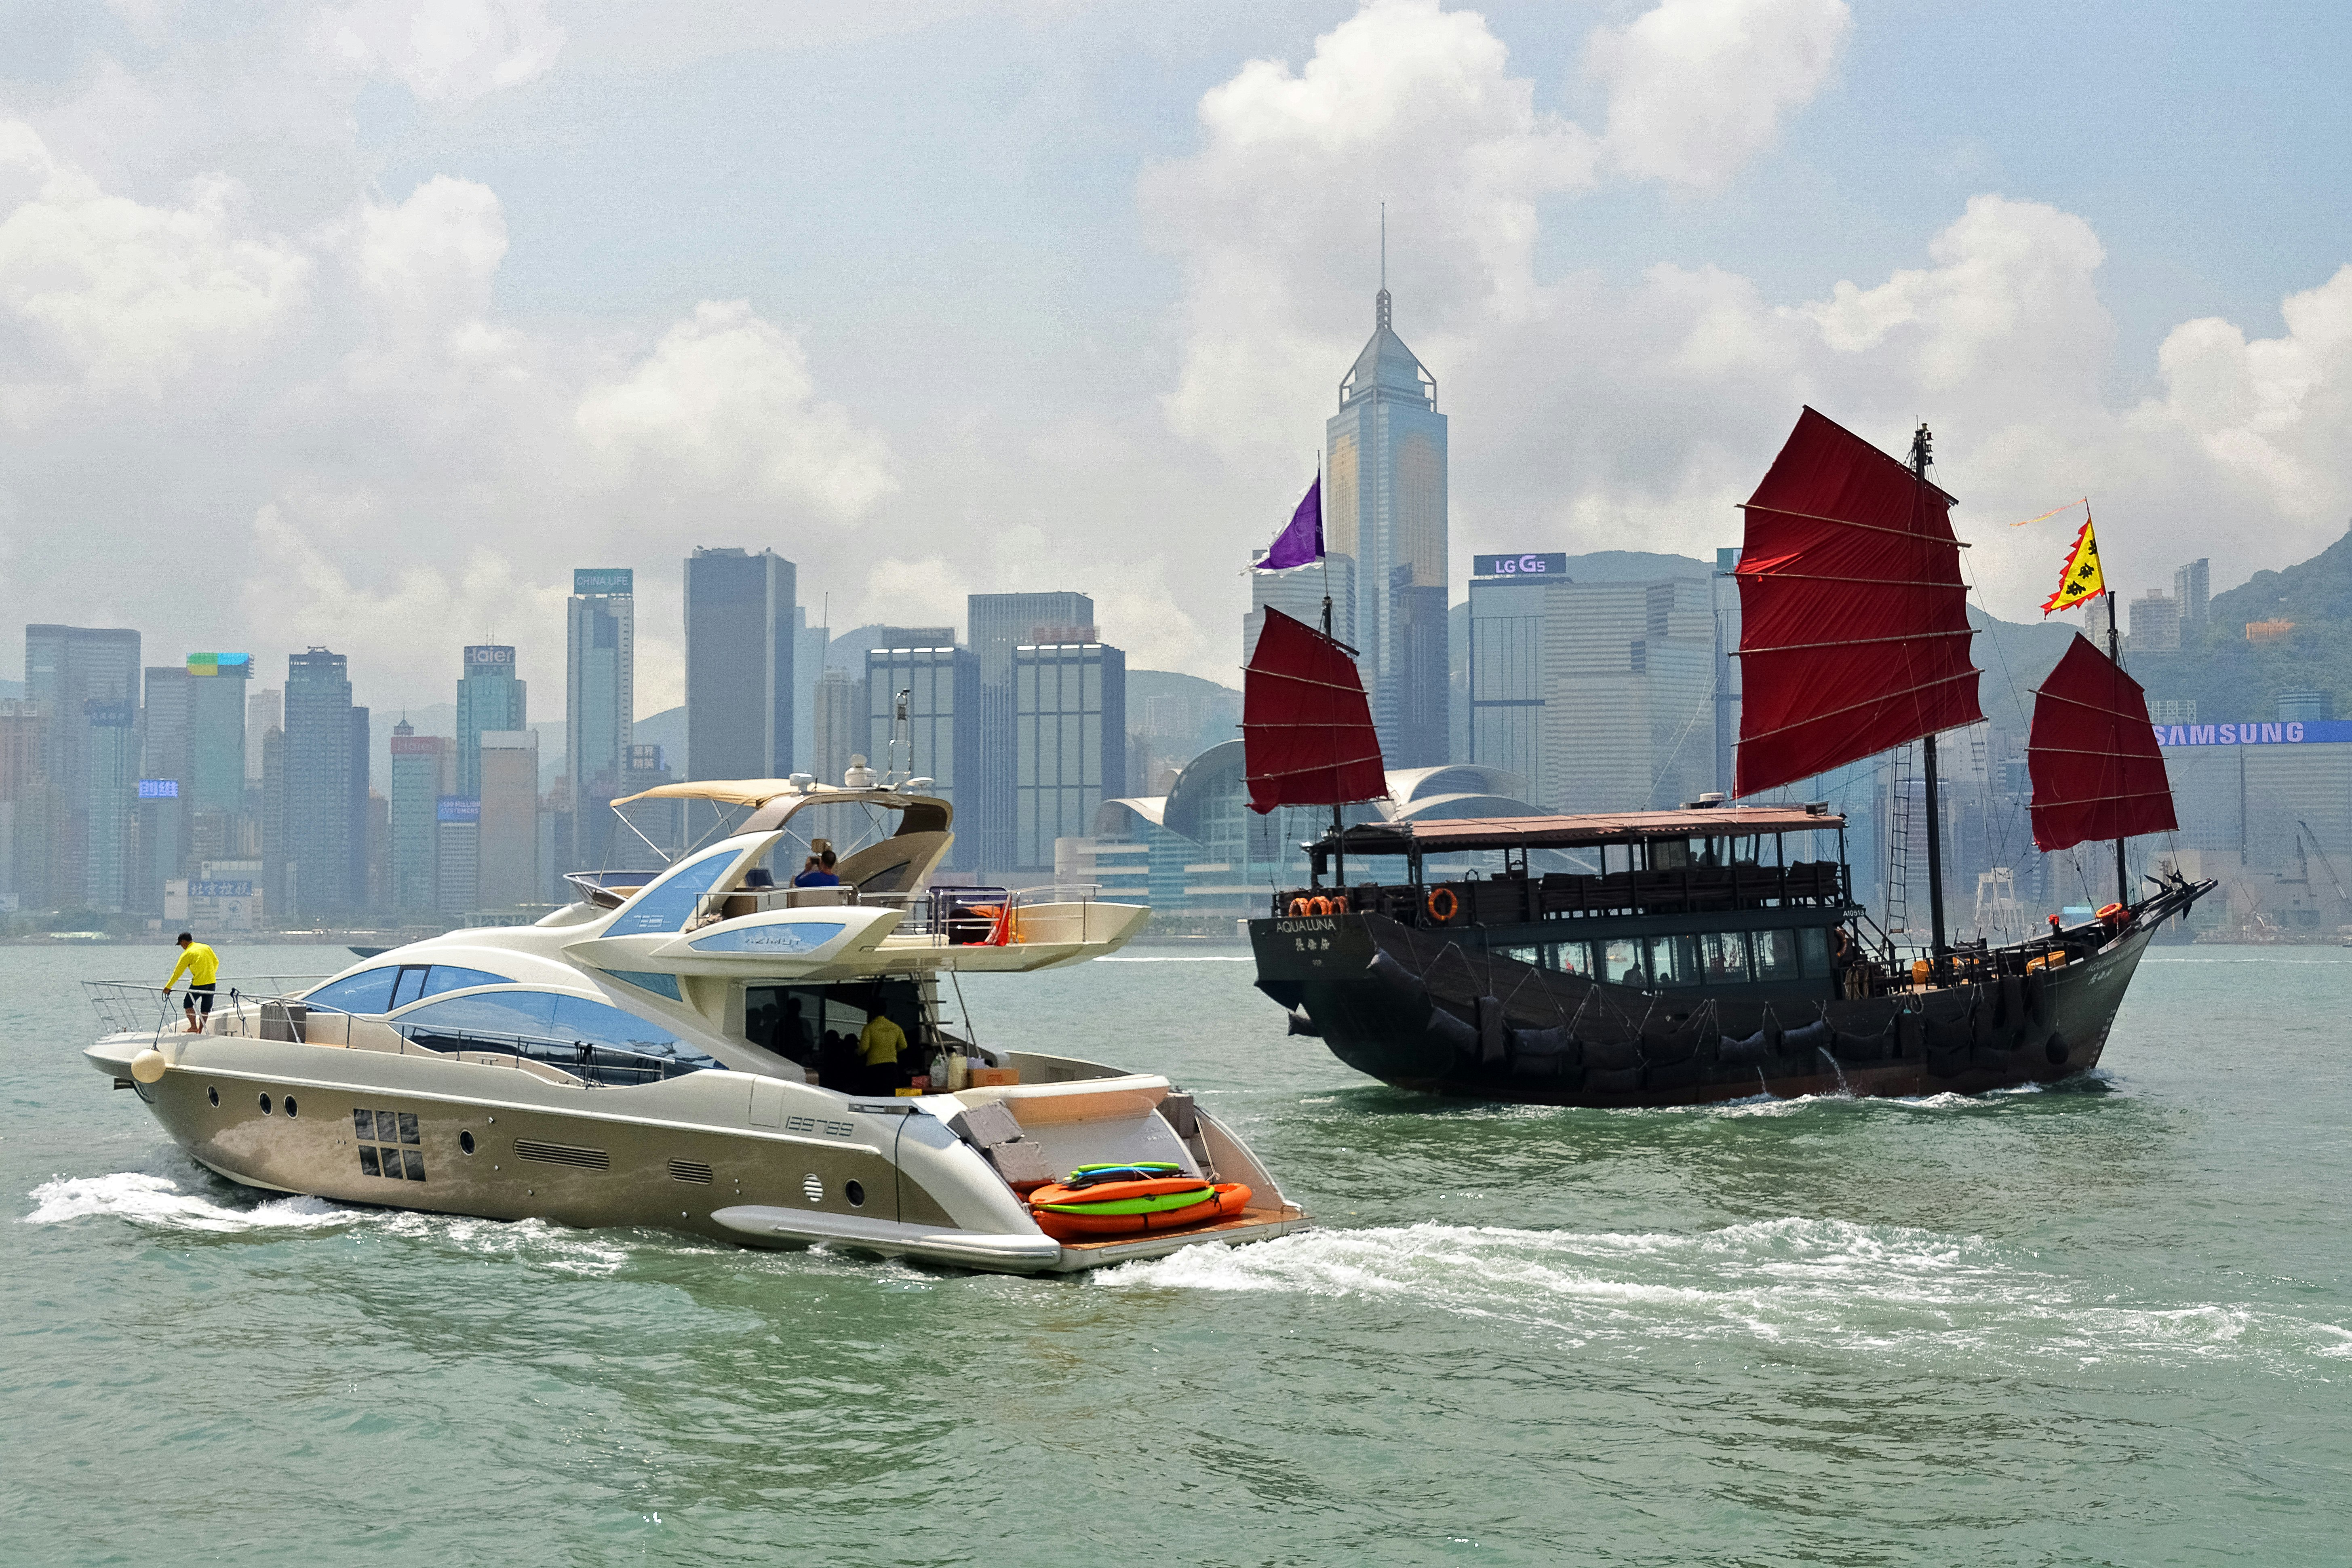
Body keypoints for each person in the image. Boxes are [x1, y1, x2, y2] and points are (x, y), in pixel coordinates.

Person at [164, 932, 219, 1033]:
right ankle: (201, 1030)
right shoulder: (206, 947)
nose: (182, 947)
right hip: (212, 982)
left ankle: (194, 1027)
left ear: (184, 942)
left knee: (188, 1003)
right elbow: (216, 962)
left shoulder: (187, 954)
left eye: (181, 945)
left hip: (199, 984)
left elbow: (178, 973)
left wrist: (168, 987)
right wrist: (209, 974)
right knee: (205, 1008)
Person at [857, 1005, 908, 1094]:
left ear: (873, 1012)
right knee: (890, 1093)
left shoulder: (869, 1028)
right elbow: (904, 1046)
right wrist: (892, 1051)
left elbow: (864, 1048)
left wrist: (858, 1053)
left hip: (874, 1067)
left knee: (875, 1094)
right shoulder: (896, 1027)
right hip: (891, 1066)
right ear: (885, 1012)